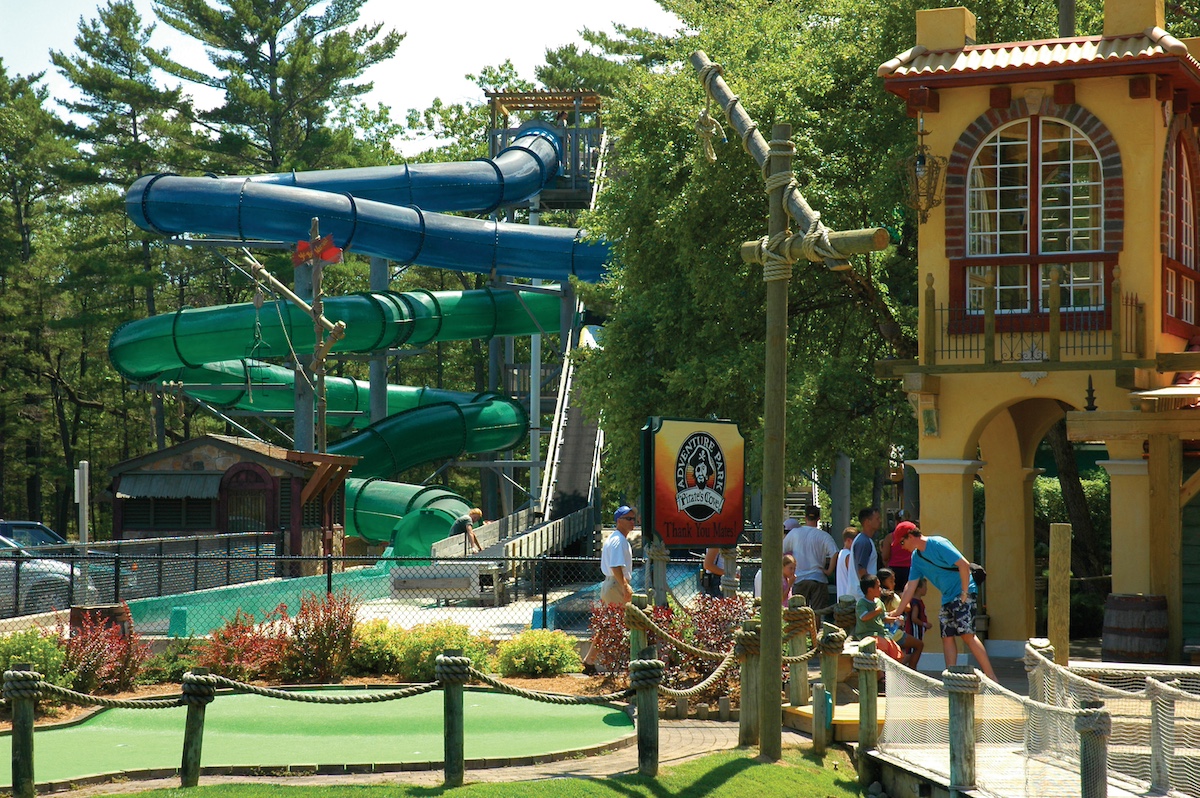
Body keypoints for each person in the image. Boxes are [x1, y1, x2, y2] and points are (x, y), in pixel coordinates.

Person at [893, 526, 996, 680]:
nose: (902, 547)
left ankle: (992, 677)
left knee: (967, 635)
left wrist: (964, 594)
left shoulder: (938, 544)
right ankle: (951, 679)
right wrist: (897, 611)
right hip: (947, 597)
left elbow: (963, 564)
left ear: (910, 536)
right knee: (947, 636)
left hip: (964, 591)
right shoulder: (916, 557)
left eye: (902, 542)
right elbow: (910, 586)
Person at [585, 505, 638, 673]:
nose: (632, 522)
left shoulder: (617, 539)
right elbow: (616, 566)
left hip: (612, 584)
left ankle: (590, 661)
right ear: (618, 521)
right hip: (616, 584)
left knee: (608, 625)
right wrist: (625, 586)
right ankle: (622, 663)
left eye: (633, 519)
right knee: (622, 625)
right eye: (628, 518)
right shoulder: (618, 540)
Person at [783, 506, 839, 610]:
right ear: (818, 518)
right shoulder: (824, 536)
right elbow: (835, 553)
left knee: (799, 613)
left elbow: (782, 550)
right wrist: (829, 571)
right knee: (817, 612)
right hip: (818, 578)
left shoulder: (794, 533)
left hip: (799, 578)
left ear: (805, 518)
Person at [880, 567, 923, 668]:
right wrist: (904, 596)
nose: (894, 584)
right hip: (894, 633)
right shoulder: (892, 596)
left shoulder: (876, 596)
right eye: (891, 581)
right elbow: (907, 608)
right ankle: (912, 670)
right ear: (883, 582)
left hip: (882, 632)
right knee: (919, 645)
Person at [855, 573, 904, 662]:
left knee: (897, 654)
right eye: (878, 587)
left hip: (881, 633)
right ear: (870, 590)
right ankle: (880, 671)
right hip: (868, 634)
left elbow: (883, 618)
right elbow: (864, 617)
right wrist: (877, 611)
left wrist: (895, 619)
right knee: (882, 648)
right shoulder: (862, 603)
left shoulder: (878, 602)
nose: (880, 589)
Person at [880, 519, 916, 591]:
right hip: (910, 569)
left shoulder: (889, 537)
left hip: (894, 570)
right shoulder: (913, 537)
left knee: (893, 594)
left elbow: (885, 557)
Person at [904, 577, 932, 669]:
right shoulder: (915, 603)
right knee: (912, 651)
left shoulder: (919, 601)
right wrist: (924, 624)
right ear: (919, 588)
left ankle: (912, 668)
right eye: (925, 587)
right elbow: (914, 618)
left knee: (915, 650)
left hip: (919, 631)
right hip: (914, 630)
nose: (926, 589)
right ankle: (901, 667)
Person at [852, 506, 881, 581]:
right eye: (877, 519)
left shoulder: (865, 540)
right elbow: (861, 570)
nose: (880, 521)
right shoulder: (864, 542)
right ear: (867, 522)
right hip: (861, 588)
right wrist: (871, 586)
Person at [834, 527, 860, 599]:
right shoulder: (849, 556)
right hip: (849, 597)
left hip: (842, 595)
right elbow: (854, 576)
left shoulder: (841, 553)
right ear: (848, 540)